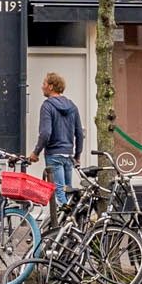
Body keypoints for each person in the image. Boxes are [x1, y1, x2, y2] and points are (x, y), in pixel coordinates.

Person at [35, 72, 85, 200]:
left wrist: (36, 152)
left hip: (54, 155)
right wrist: (77, 155)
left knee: (60, 193)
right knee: (67, 190)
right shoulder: (72, 106)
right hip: (68, 156)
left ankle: (64, 220)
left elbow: (45, 133)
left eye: (44, 83)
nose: (42, 86)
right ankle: (71, 218)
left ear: (51, 86)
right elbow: (79, 133)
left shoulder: (47, 106)